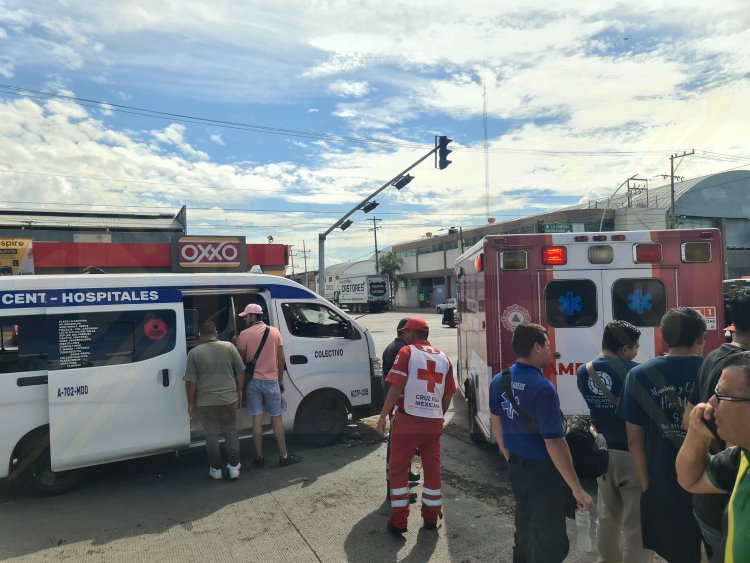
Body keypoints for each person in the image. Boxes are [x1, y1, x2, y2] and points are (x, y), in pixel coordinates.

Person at [490, 323, 593, 563]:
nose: (550, 350)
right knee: (550, 541)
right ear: (536, 347)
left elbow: (497, 426)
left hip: (518, 469)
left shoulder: (500, 380)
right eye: (547, 345)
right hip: (544, 475)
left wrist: (511, 459)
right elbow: (555, 443)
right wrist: (577, 489)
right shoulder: (542, 388)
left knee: (524, 530)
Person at [617, 307, 706, 563]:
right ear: (702, 337)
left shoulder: (639, 374)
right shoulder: (715, 369)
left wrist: (646, 485)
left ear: (664, 338)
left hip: (664, 484)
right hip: (710, 480)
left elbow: (634, 439)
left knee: (677, 555)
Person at [576, 320, 653, 563]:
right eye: (635, 348)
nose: (636, 352)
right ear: (624, 349)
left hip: (602, 453)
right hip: (634, 454)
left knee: (607, 517)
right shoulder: (636, 373)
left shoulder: (584, 371)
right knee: (637, 522)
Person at [683, 287, 750, 556]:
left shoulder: (712, 356)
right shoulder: (738, 370)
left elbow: (688, 418)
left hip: (709, 501)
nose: (712, 404)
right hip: (724, 493)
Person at [376, 317, 456, 535]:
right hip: (433, 423)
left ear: (411, 334)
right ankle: (431, 518)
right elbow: (448, 394)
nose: (404, 335)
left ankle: (399, 521)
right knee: (432, 470)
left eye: (405, 332)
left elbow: (395, 388)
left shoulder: (407, 353)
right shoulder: (443, 358)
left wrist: (383, 416)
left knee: (398, 470)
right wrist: (437, 414)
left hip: (408, 420)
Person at [676, 352, 750, 563]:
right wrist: (697, 433)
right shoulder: (741, 457)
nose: (710, 403)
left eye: (721, 395)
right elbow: (690, 479)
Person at [236, 303, 301, 468]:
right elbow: (281, 359)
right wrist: (280, 379)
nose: (244, 319)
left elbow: (240, 363)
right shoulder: (274, 331)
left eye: (246, 316)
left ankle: (259, 458)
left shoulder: (243, 335)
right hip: (272, 382)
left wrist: (240, 388)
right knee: (276, 420)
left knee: (256, 421)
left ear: (252, 316)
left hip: (253, 383)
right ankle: (283, 456)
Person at [184, 321, 245, 480]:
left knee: (211, 435)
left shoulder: (194, 353)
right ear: (216, 332)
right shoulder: (229, 347)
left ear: (199, 335)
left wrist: (190, 403)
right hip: (228, 399)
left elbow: (190, 381)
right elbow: (240, 371)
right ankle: (233, 467)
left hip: (206, 403)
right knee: (230, 431)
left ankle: (216, 469)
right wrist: (239, 390)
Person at [381, 318, 419, 502]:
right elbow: (395, 382)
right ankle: (393, 488)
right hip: (399, 406)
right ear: (405, 332)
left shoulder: (393, 346)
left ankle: (406, 475)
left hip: (395, 403)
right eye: (414, 334)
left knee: (401, 447)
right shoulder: (401, 350)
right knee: (397, 450)